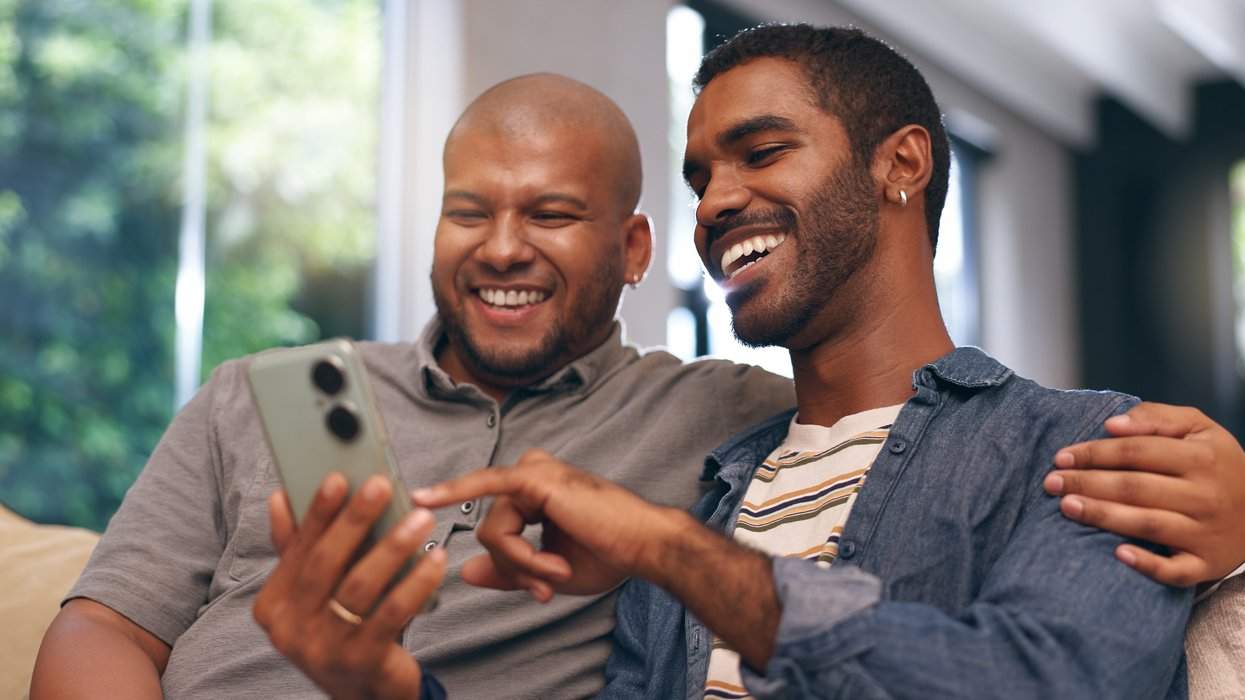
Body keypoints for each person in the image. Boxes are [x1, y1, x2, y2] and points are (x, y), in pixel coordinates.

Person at [31, 70, 1245, 699]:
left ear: (629, 253)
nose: (502, 247)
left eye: (552, 215)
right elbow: (101, 624)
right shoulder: (260, 391)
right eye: (471, 212)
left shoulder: (718, 428)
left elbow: (901, 410)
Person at [412, 27, 1245, 699]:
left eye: (762, 152)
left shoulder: (1080, 444)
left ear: (901, 164)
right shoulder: (704, 504)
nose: (711, 204)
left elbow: (1050, 682)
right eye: (699, 178)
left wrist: (669, 553)